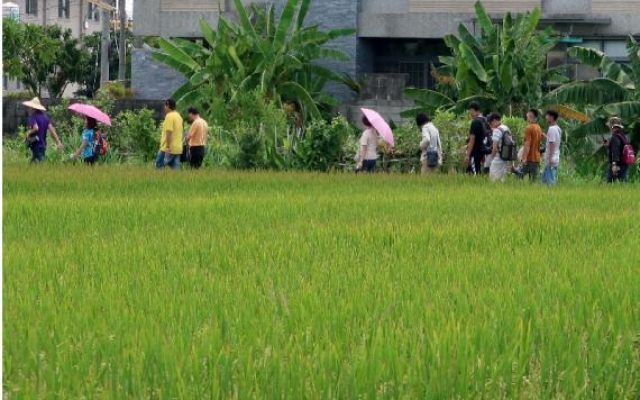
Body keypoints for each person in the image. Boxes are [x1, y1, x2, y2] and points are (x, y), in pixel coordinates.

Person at [22, 97, 64, 163]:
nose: (29, 108)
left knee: (41, 163)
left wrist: (28, 133)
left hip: (36, 145)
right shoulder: (45, 117)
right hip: (43, 145)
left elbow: (36, 128)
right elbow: (52, 130)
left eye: (30, 106)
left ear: (34, 107)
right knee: (34, 162)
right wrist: (58, 142)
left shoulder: (33, 117)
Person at [156, 99, 184, 170]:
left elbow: (169, 132)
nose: (164, 108)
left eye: (165, 106)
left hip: (168, 148)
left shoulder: (169, 116)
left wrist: (167, 147)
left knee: (159, 168)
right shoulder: (179, 116)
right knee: (175, 172)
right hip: (178, 149)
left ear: (168, 105)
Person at [520, 109, 544, 181]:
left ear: (530, 115)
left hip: (529, 159)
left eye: (527, 115)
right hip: (537, 158)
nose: (526, 117)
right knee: (533, 181)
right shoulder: (538, 128)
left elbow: (527, 144)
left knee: (518, 176)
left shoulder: (529, 128)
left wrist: (524, 158)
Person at [464, 101, 487, 176]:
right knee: (479, 173)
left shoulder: (475, 122)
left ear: (475, 111)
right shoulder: (485, 120)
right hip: (483, 152)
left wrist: (467, 155)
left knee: (473, 174)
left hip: (475, 152)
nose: (470, 115)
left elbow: (472, 140)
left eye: (471, 112)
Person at [605, 117, 630, 183]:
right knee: (623, 182)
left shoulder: (615, 137)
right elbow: (621, 147)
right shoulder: (624, 136)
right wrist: (609, 145)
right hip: (625, 163)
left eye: (610, 126)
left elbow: (615, 151)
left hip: (617, 164)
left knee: (609, 183)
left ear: (613, 127)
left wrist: (614, 164)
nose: (609, 128)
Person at [487, 112, 511, 182]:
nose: (491, 126)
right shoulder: (506, 128)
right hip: (505, 157)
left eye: (490, 123)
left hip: (498, 157)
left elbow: (494, 148)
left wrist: (492, 158)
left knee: (493, 179)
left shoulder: (497, 130)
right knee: (502, 179)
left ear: (494, 120)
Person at [541, 110, 562, 186]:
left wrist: (550, 158)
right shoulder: (558, 129)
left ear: (551, 117)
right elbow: (554, 141)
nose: (546, 118)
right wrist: (545, 136)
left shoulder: (552, 129)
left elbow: (552, 144)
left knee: (550, 181)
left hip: (551, 158)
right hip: (555, 156)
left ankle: (553, 195)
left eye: (547, 116)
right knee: (544, 180)